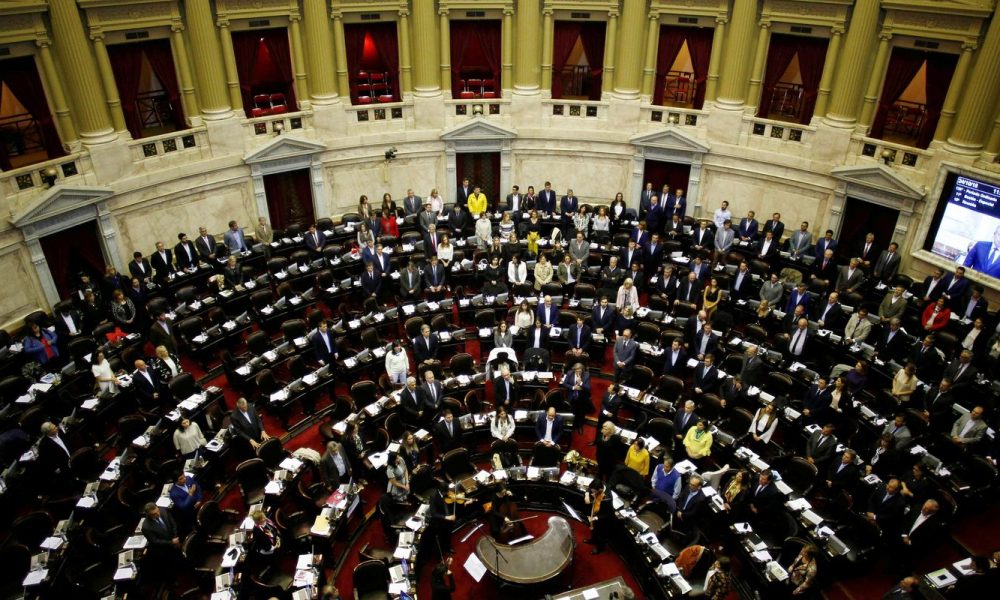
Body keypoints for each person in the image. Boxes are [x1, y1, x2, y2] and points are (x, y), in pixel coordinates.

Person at [584, 479, 611, 554]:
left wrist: (595, 518)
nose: (592, 493)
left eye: (594, 492)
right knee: (594, 529)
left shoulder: (607, 498)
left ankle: (599, 548)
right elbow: (589, 488)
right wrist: (587, 494)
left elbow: (607, 514)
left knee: (601, 534)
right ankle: (593, 540)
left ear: (600, 489)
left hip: (603, 517)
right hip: (596, 510)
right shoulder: (600, 484)